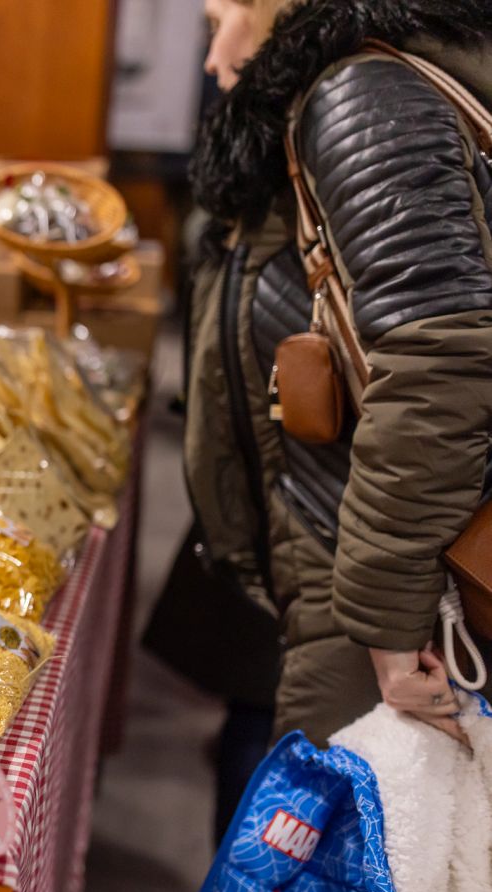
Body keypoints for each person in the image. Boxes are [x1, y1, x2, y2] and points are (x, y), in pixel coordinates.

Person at [186, 0, 492, 746]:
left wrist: (387, 615)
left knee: (367, 816)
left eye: (219, 21)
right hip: (368, 551)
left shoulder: (361, 95)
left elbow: (438, 360)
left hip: (399, 585)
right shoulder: (357, 85)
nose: (212, 58)